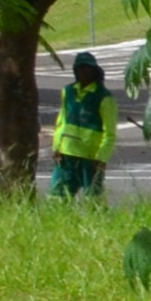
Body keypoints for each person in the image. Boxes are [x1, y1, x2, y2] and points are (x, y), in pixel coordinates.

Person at [49, 53, 117, 201]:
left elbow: (110, 132)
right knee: (57, 196)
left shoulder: (104, 97)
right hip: (66, 153)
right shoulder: (67, 91)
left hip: (90, 157)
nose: (84, 71)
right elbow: (62, 121)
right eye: (80, 68)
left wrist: (102, 157)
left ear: (95, 70)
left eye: (88, 68)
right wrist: (57, 146)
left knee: (93, 198)